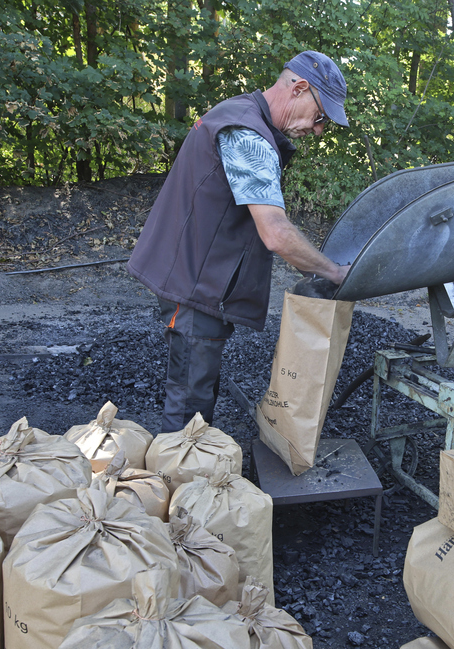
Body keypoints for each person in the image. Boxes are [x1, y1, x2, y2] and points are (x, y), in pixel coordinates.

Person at [128, 50, 353, 433]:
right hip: (195, 284)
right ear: (299, 88)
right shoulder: (248, 135)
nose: (318, 130)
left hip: (199, 278)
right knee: (188, 404)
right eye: (320, 117)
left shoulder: (238, 112)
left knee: (197, 388)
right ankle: (178, 468)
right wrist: (333, 272)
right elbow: (276, 233)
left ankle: (191, 460)